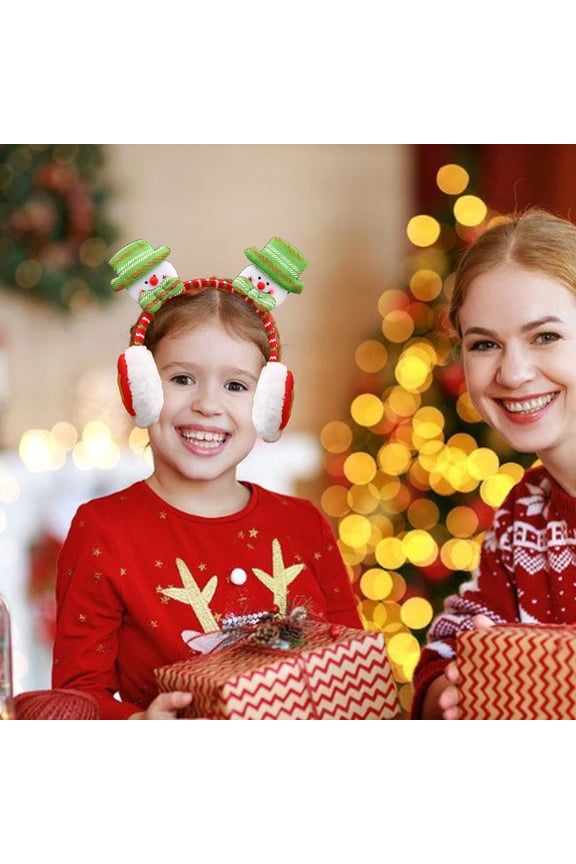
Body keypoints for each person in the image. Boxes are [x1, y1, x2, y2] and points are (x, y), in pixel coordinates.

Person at [52, 239, 361, 719]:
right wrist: (136, 723)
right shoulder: (103, 530)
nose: (208, 405)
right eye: (182, 379)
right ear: (142, 390)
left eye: (236, 386)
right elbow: (76, 696)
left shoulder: (305, 525)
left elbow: (351, 666)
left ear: (268, 403)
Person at [411, 207, 576, 719]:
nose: (513, 372)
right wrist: (448, 692)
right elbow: (449, 643)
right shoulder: (523, 513)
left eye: (545, 336)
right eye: (484, 344)